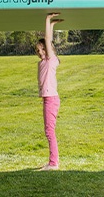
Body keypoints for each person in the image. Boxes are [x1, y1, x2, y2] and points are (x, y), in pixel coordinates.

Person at [36, 13, 63, 171]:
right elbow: (48, 40)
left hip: (51, 99)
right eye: (37, 50)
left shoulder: (51, 60)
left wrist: (47, 20)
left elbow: (48, 40)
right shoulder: (41, 63)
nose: (39, 52)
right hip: (47, 99)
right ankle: (52, 161)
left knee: (49, 131)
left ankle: (53, 163)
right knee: (48, 130)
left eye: (41, 49)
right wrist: (52, 25)